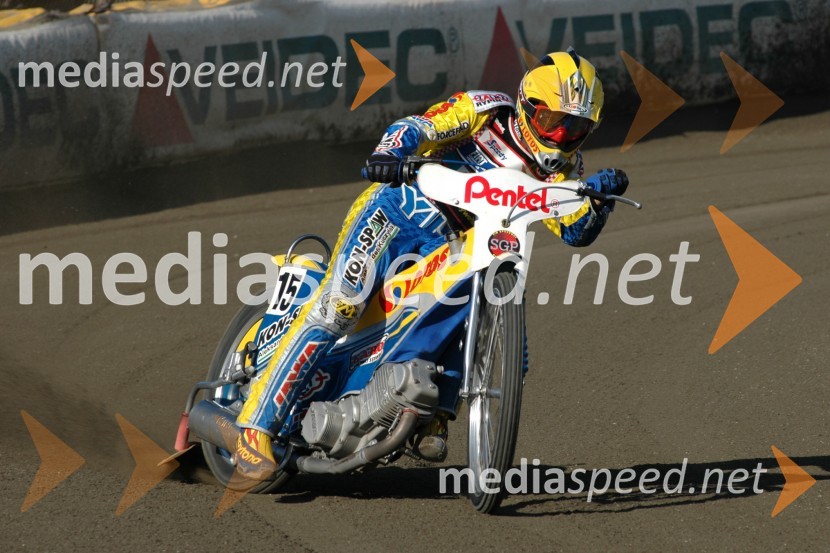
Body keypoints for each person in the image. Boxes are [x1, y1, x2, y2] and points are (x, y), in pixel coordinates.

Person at [234, 48, 629, 481]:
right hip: (395, 214)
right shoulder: (485, 110)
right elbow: (419, 126)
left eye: (576, 129)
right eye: (553, 121)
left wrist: (595, 201)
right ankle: (255, 426)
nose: (561, 137)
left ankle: (428, 409)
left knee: (470, 298)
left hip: (452, 245)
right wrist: (392, 152)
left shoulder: (563, 170)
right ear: (526, 106)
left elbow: (574, 231)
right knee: (340, 306)